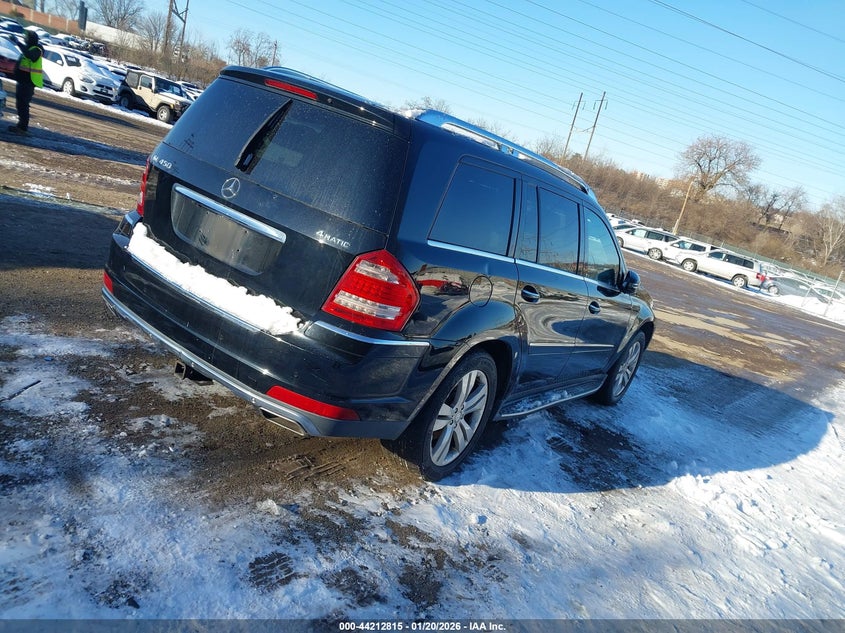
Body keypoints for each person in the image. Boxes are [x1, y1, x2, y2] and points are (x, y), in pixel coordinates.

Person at [8, 30, 43, 136]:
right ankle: (20, 125)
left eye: (26, 38)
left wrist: (18, 43)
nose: (25, 39)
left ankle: (23, 127)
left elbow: (29, 56)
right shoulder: (29, 48)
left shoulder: (37, 49)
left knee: (23, 105)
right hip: (23, 81)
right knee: (20, 104)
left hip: (28, 83)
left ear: (30, 39)